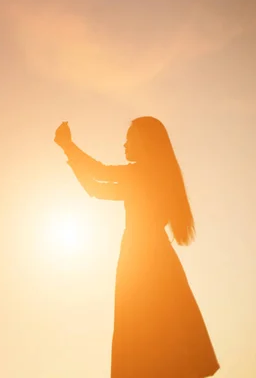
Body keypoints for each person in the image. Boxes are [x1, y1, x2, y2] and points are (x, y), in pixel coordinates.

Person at [54, 117, 220, 378]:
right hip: (152, 256)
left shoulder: (144, 173)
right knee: (162, 335)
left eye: (129, 137)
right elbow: (96, 188)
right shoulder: (150, 175)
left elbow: (99, 174)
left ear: (145, 141)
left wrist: (68, 145)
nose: (124, 144)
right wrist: (69, 153)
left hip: (141, 259)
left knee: (143, 336)